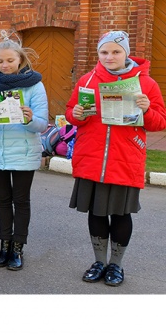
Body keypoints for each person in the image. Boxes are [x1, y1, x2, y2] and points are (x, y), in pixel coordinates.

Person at [66, 30, 166, 286]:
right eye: (104, 52)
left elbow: (159, 122)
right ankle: (99, 261)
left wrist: (146, 110)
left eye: (116, 51)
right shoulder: (87, 81)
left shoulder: (146, 84)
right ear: (98, 54)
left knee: (121, 215)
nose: (110, 57)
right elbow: (72, 114)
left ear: (126, 53)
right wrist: (76, 113)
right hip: (92, 158)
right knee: (97, 213)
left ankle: (116, 265)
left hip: (125, 159)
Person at [0, 39, 48, 270]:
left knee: (21, 201)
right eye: (0, 61)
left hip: (23, 151)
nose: (5, 65)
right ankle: (4, 245)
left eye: (10, 60)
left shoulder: (34, 85)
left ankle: (18, 248)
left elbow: (42, 124)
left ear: (20, 60)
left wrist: (29, 119)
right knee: (3, 201)